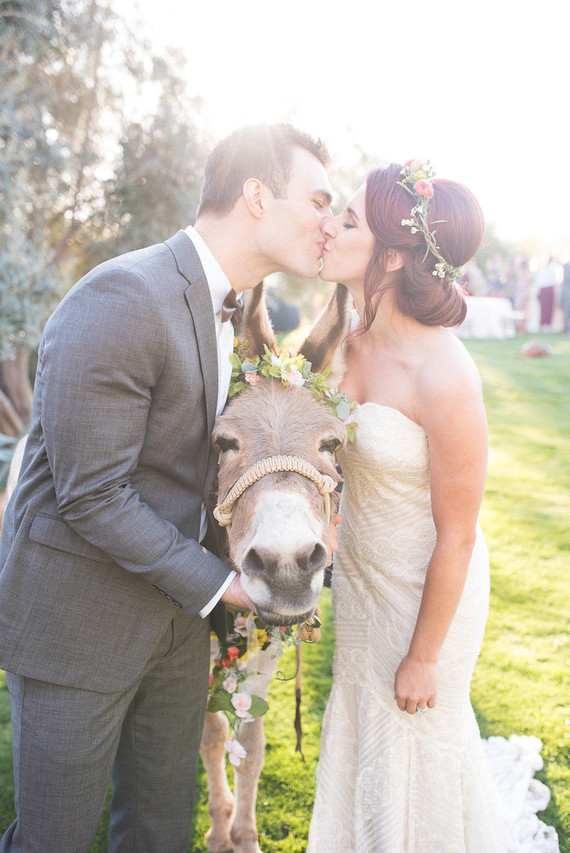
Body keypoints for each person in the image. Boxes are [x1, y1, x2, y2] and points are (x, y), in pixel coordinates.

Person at [0, 122, 333, 853]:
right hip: (76, 628)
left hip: (177, 628)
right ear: (256, 195)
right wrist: (225, 586)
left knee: (155, 835)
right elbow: (91, 494)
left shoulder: (234, 310)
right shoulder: (125, 295)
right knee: (52, 839)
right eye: (317, 199)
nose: (329, 222)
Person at [307, 162, 559, 852]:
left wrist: (423, 656)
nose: (333, 225)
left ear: (392, 254)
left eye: (350, 219)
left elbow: (458, 535)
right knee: (364, 734)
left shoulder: (446, 375)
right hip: (362, 587)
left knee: (415, 749)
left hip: (429, 599)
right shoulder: (345, 338)